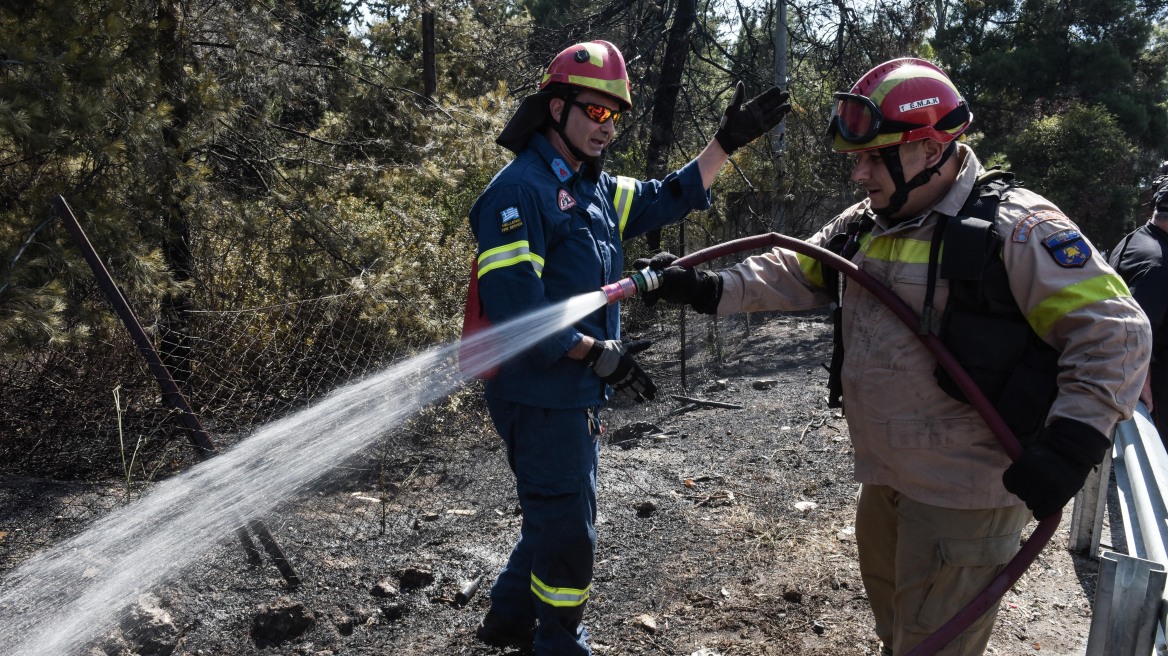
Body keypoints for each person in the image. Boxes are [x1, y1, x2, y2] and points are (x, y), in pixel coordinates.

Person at [643, 57, 1150, 655]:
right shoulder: (870, 223)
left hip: (963, 494)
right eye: (856, 158)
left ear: (932, 149)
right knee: (900, 637)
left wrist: (1071, 445)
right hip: (886, 481)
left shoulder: (1015, 229)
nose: (858, 173)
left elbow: (1117, 331)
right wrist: (709, 287)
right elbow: (801, 267)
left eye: (872, 157)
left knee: (930, 646)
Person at [465, 40, 790, 655]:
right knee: (569, 529)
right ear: (555, 107)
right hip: (538, 396)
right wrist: (596, 352)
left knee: (555, 511)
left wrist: (726, 143)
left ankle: (507, 621)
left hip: (572, 391)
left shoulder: (593, 189)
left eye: (615, 116)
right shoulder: (520, 193)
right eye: (595, 111)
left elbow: (667, 195)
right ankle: (560, 643)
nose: (605, 127)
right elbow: (517, 315)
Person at [1109, 173, 1168, 442]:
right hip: (1155, 387)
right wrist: (1140, 380)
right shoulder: (1158, 263)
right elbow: (1138, 327)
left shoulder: (1134, 238)